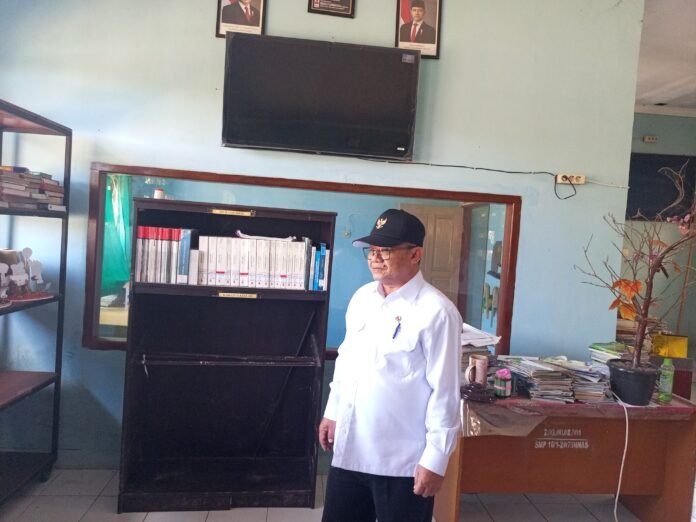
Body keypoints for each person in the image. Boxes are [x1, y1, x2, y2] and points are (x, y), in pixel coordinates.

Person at [318, 209, 462, 522]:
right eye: (372, 250)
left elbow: (446, 393)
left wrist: (436, 459)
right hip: (351, 450)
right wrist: (333, 410)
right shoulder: (362, 299)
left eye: (385, 250)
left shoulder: (437, 311)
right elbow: (346, 360)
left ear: (415, 254)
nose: (375, 258)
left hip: (402, 461)